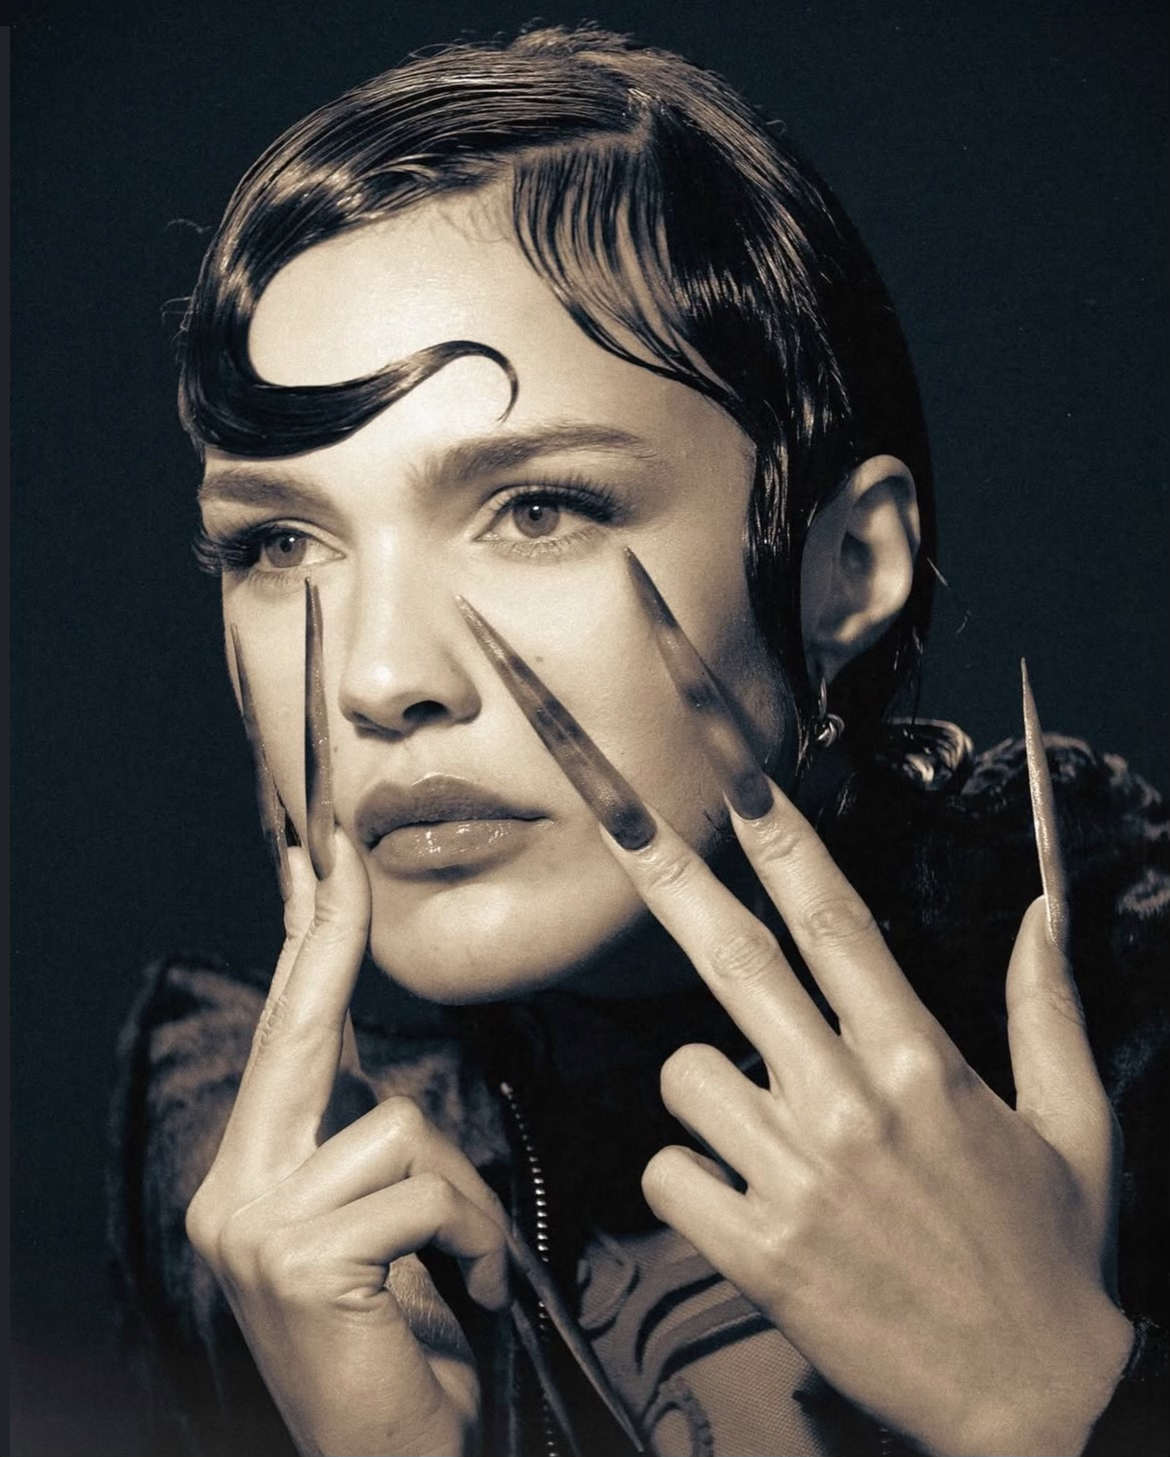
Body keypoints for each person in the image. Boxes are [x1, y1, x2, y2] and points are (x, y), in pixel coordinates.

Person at [108, 24, 1167, 1457]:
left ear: (846, 567)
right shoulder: (242, 1188)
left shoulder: (1138, 1011)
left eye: (539, 509)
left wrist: (1053, 1411)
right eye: (279, 542)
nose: (374, 673)